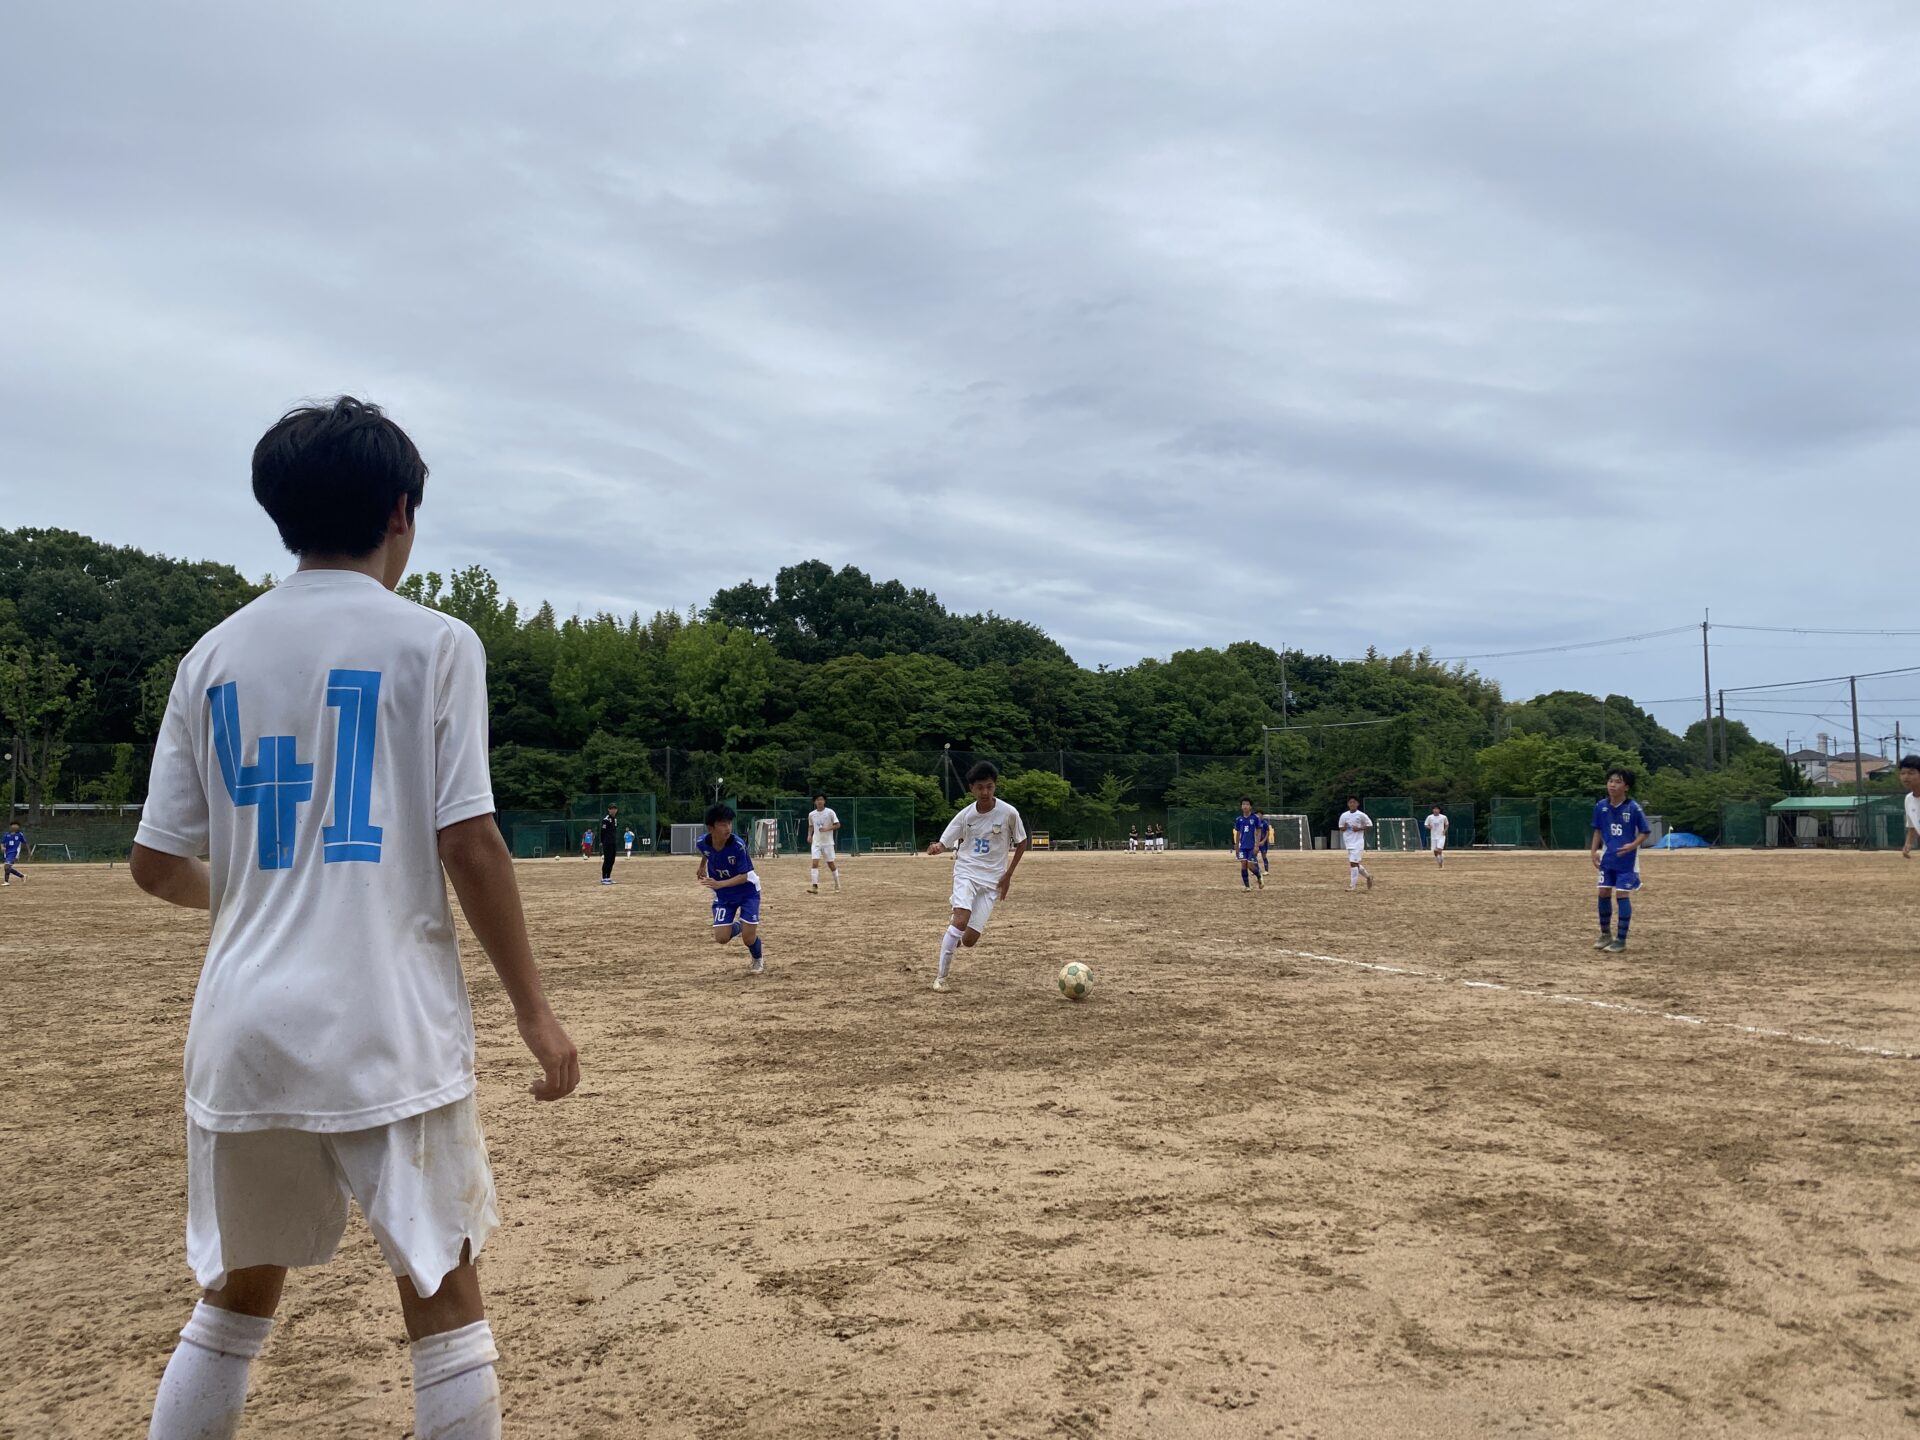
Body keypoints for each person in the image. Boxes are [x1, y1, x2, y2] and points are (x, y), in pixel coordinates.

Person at [128, 396, 579, 1440]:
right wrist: (534, 1013)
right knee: (445, 1301)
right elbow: (469, 841)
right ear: (401, 514)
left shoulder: (211, 657)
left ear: (280, 515)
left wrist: (246, 904)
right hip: (384, 1028)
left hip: (241, 1031)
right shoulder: (435, 643)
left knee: (236, 1300)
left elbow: (156, 864)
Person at [926, 762, 1029, 992]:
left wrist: (1008, 875)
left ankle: (954, 938)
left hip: (992, 881)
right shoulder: (965, 816)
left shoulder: (1009, 813)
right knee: (961, 920)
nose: (985, 792)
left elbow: (1022, 841)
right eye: (980, 787)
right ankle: (941, 977)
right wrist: (937, 848)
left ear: (995, 787)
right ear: (971, 788)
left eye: (990, 787)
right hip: (967, 872)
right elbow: (945, 842)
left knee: (970, 939)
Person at [696, 803, 764, 973]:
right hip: (724, 895)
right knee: (721, 938)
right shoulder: (701, 842)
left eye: (729, 823)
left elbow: (743, 876)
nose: (728, 828)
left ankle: (757, 958)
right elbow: (706, 852)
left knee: (748, 939)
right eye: (722, 824)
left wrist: (719, 884)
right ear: (711, 828)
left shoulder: (738, 845)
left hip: (747, 891)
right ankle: (742, 924)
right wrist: (702, 865)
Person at [1590, 766, 1651, 953]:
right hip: (1607, 858)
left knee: (1622, 895)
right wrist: (1593, 851)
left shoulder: (1633, 808)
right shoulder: (1601, 806)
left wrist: (1632, 845)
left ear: (1626, 787)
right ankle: (1605, 934)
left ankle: (1621, 939)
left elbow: (1645, 832)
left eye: (1618, 782)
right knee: (1603, 892)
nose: (1612, 785)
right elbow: (1598, 830)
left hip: (1627, 859)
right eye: (1610, 781)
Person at [807, 793, 841, 894]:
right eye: (817, 800)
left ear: (824, 801)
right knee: (814, 863)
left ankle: (837, 883)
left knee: (830, 863)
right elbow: (811, 826)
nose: (819, 801)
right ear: (814, 802)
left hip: (828, 843)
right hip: (816, 842)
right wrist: (809, 835)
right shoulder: (811, 814)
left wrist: (827, 828)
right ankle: (814, 886)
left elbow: (838, 825)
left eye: (821, 799)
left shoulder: (830, 812)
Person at [1337, 797, 1374, 891]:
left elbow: (1370, 825)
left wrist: (1360, 828)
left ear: (1357, 804)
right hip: (1348, 842)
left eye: (1354, 802)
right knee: (1355, 863)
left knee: (1353, 863)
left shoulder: (1361, 815)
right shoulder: (1344, 815)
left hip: (1358, 842)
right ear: (1348, 804)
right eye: (1350, 802)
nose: (1352, 804)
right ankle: (1369, 876)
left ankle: (1352, 886)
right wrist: (1344, 827)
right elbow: (1341, 828)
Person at [1234, 798, 1265, 890]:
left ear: (1250, 806)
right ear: (1241, 806)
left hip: (1252, 846)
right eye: (1243, 804)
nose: (1245, 806)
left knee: (1250, 865)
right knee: (1243, 864)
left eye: (1247, 804)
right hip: (1242, 846)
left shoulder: (1255, 818)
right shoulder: (1239, 819)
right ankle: (1247, 886)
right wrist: (1236, 846)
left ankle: (1259, 876)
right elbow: (1238, 833)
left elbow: (1259, 831)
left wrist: (1257, 845)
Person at [598, 804, 620, 886]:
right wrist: (602, 841)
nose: (613, 810)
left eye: (614, 808)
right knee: (607, 860)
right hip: (607, 842)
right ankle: (604, 878)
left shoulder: (615, 819)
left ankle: (608, 877)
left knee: (612, 860)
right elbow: (602, 831)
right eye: (611, 809)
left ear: (616, 810)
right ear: (609, 810)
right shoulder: (606, 820)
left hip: (613, 842)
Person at [1903, 756, 1920, 860]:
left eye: (1911, 773)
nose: (1906, 777)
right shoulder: (1908, 799)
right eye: (1903, 773)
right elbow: (1912, 825)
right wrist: (1908, 843)